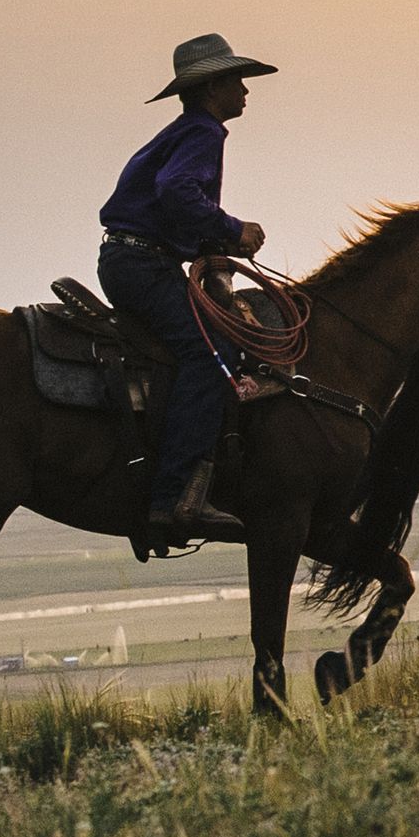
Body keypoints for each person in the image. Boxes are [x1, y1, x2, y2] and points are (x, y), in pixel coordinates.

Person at [100, 33, 274, 551]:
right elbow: (178, 192)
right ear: (213, 86)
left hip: (133, 257)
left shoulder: (184, 130)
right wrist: (232, 229)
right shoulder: (202, 132)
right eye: (237, 80)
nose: (246, 90)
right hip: (141, 263)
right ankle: (176, 494)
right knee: (209, 355)